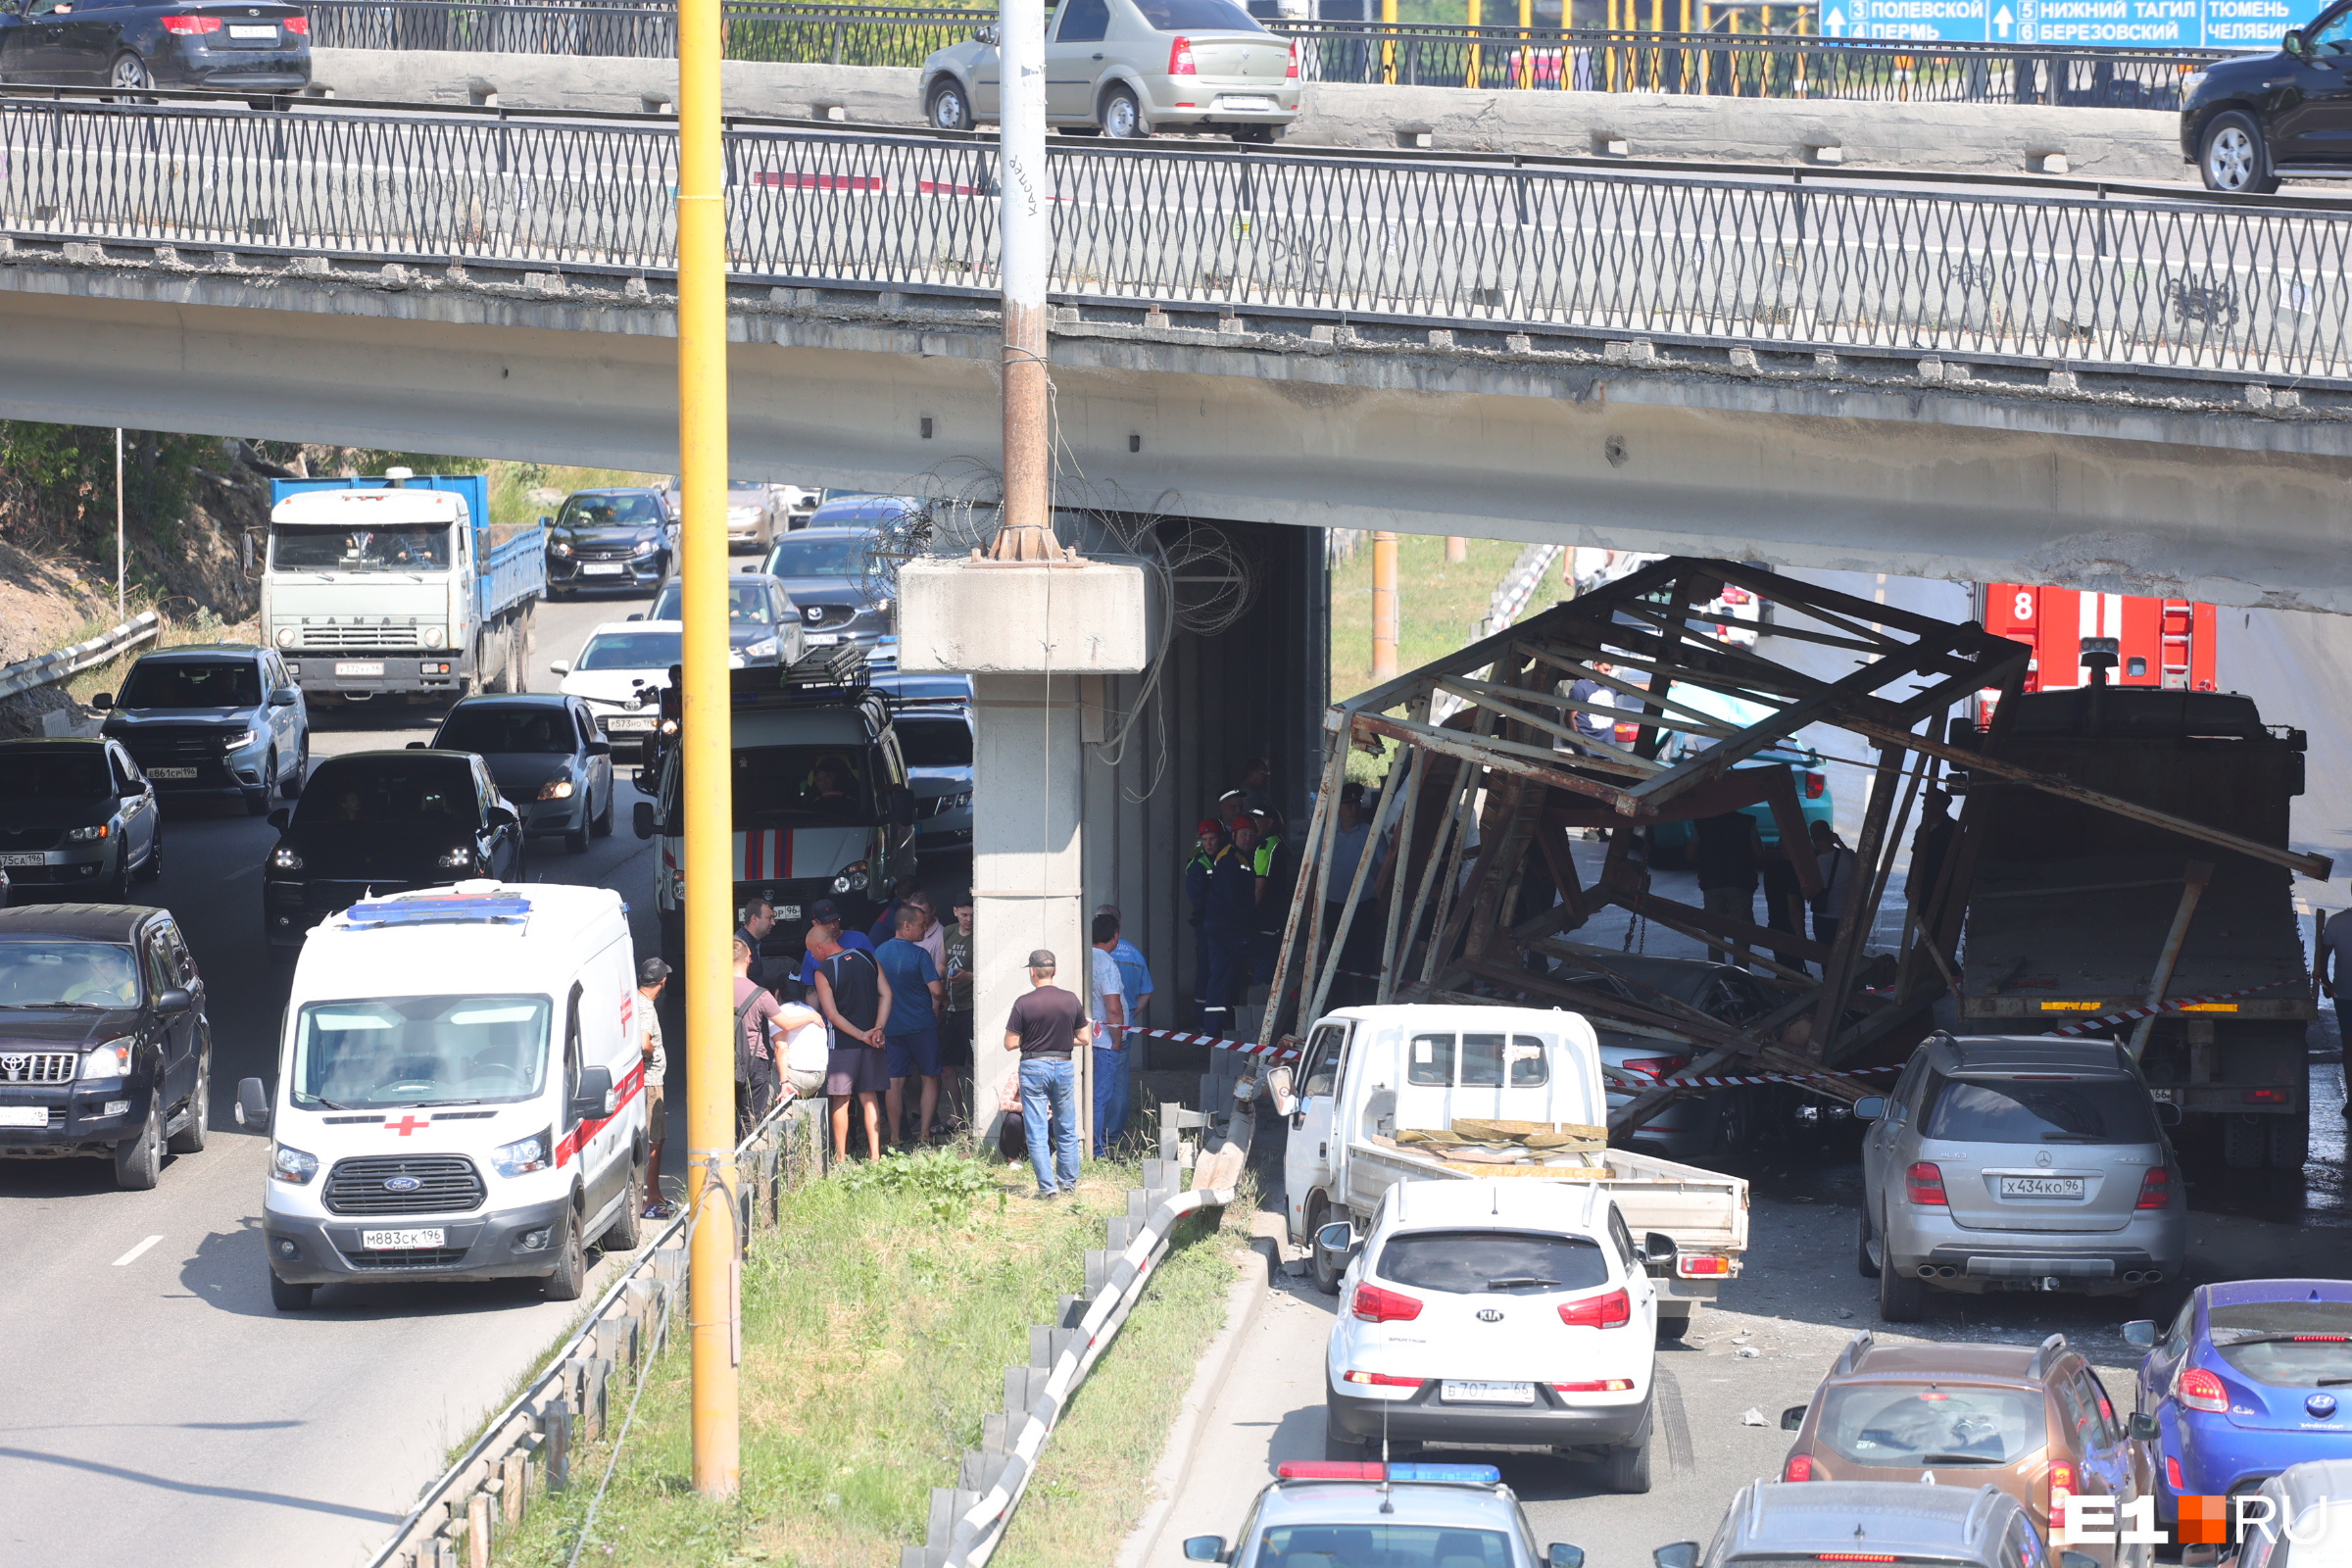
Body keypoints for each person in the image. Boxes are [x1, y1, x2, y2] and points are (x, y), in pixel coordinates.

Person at [1004, 950, 1089, 1198]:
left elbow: (1010, 1043)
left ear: (1032, 972)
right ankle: (1068, 1183)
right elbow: (1083, 1038)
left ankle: (1048, 1188)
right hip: (1063, 1065)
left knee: (1037, 1129)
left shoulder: (1023, 1003)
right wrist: (1059, 1040)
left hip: (1033, 1067)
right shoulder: (1071, 999)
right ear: (1055, 971)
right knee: (1066, 1127)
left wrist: (1034, 1041)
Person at [811, 916, 892, 1160]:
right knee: (869, 1097)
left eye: (811, 952)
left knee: (841, 1099)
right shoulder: (867, 956)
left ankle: (840, 1157)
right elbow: (886, 994)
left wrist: (861, 1035)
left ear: (819, 948)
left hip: (844, 1044)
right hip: (873, 1039)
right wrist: (877, 1029)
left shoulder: (823, 971)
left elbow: (832, 1015)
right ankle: (875, 1155)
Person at [876, 906, 946, 1145]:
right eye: (920, 924)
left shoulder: (879, 953)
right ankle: (925, 1134)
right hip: (922, 1026)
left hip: (892, 1027)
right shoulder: (920, 955)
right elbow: (936, 990)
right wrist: (946, 999)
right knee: (930, 1077)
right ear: (907, 925)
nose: (925, 929)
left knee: (894, 1082)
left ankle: (895, 1136)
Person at [1692, 809, 1759, 967]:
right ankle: (1741, 971)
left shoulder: (1702, 823)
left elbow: (1690, 852)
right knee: (1741, 930)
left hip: (1712, 882)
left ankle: (1717, 969)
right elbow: (1758, 851)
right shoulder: (1747, 822)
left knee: (1715, 930)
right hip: (1740, 881)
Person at [730, 937, 782, 1141]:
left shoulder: (709, 991)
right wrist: (811, 1016)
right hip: (753, 1062)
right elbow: (784, 1023)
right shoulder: (760, 994)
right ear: (748, 958)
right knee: (752, 1118)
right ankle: (745, 1166)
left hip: (718, 1063)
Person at [1088, 911, 1130, 1158]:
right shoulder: (1106, 964)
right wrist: (1117, 1040)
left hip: (1085, 1038)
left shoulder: (1084, 957)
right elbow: (1113, 1007)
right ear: (1115, 937)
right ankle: (1096, 1150)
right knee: (1100, 1097)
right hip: (1104, 1041)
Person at [635, 957, 674, 1219]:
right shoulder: (647, 1009)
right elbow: (643, 1043)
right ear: (663, 981)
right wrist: (649, 1054)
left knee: (655, 1137)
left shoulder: (635, 999)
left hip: (646, 1081)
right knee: (654, 1140)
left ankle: (656, 1193)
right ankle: (650, 1200)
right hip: (650, 1083)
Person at [939, 895, 975, 1129]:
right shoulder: (949, 931)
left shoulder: (981, 935)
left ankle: (977, 1113)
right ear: (955, 912)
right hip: (949, 1004)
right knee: (947, 1063)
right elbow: (942, 962)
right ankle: (956, 1115)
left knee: (973, 1064)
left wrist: (968, 977)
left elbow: (990, 970)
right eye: (964, 915)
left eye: (972, 915)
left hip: (970, 1007)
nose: (968, 920)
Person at [1758, 823, 1809, 974]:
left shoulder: (1771, 870)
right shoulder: (1792, 873)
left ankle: (1783, 995)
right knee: (1795, 972)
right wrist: (1802, 938)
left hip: (1775, 924)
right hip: (1790, 930)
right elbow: (1794, 911)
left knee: (1783, 970)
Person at [1095, 904, 1154, 1030]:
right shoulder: (1135, 954)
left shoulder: (1088, 952)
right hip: (1125, 1024)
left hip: (1096, 1026)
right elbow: (1147, 992)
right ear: (1119, 926)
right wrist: (1129, 1016)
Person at [796, 899, 874, 995]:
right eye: (826, 923)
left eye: (836, 920)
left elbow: (875, 973)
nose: (833, 926)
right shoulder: (811, 952)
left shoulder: (860, 939)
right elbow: (811, 991)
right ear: (815, 924)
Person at [1907, 789, 1958, 923]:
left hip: (1941, 891)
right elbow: (1915, 858)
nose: (1923, 808)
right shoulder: (1923, 828)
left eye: (1927, 804)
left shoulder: (1953, 829)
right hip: (1922, 888)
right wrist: (1909, 884)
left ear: (1938, 807)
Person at [1811, 819, 1859, 950]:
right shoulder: (1847, 857)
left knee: (1825, 955)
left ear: (1813, 839)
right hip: (1845, 916)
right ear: (1831, 834)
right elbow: (1860, 867)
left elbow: (1809, 893)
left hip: (1823, 917)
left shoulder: (1815, 863)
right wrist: (1839, 842)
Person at [1567, 661, 1618, 751]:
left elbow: (1633, 688)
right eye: (1606, 669)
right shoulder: (1580, 688)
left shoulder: (1612, 685)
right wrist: (1576, 740)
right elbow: (1569, 717)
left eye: (1610, 670)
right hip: (1586, 744)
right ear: (1596, 665)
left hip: (1608, 745)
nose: (1608, 673)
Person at [736, 898, 778, 991]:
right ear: (754, 919)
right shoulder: (739, 945)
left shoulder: (748, 941)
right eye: (769, 918)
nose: (773, 923)